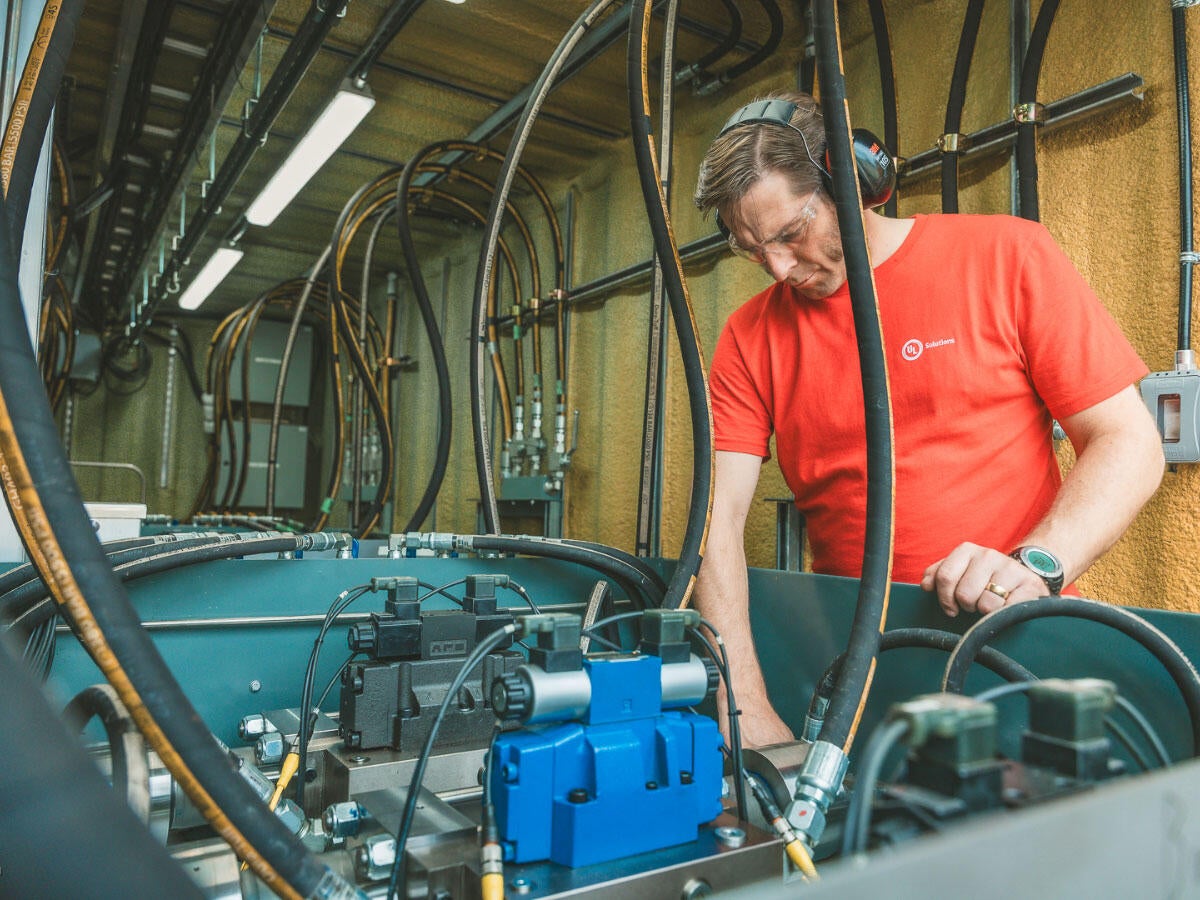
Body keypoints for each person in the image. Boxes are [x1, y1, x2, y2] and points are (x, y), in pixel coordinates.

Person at [691, 92, 1165, 747]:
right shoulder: (749, 338)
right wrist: (741, 707)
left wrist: (1035, 564)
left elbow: (1128, 442)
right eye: (753, 250)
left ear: (855, 181)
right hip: (856, 663)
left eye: (790, 234)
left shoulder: (1007, 257)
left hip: (1018, 646)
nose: (777, 268)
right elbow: (714, 524)